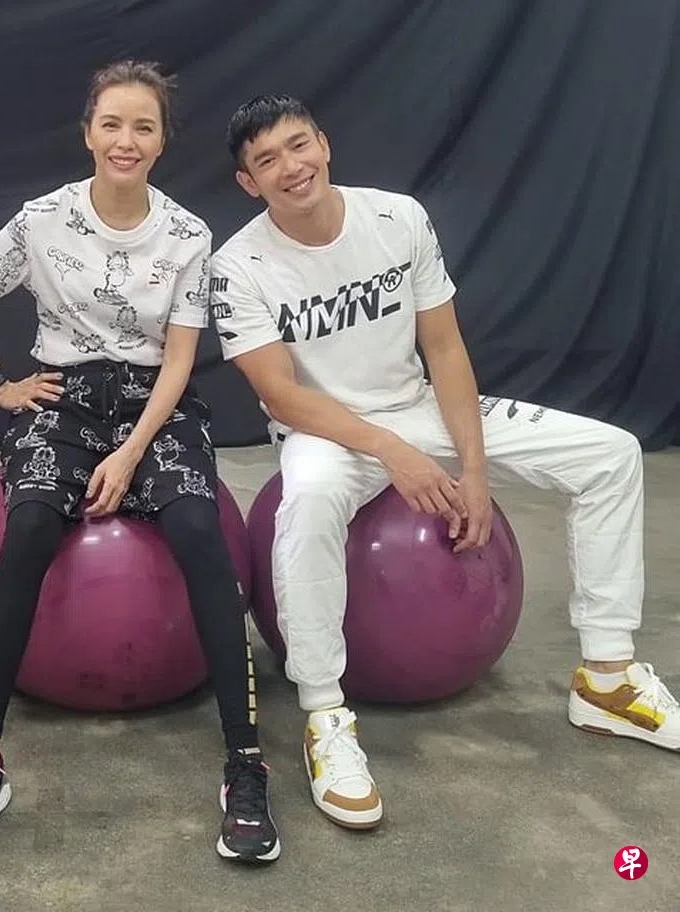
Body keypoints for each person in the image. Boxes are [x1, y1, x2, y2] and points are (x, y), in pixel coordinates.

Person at [210, 94, 679, 831]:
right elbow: (283, 395)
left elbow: (445, 347)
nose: (290, 167)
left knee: (611, 455)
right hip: (328, 432)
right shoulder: (237, 265)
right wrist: (393, 452)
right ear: (249, 182)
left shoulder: (398, 218)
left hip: (417, 406)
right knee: (307, 501)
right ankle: (324, 716)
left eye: (298, 145)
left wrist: (474, 469)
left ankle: (608, 676)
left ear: (324, 144)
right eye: (267, 161)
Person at [0, 61, 279, 865]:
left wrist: (129, 453)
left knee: (198, 529)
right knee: (27, 529)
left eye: (144, 127)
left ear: (162, 141)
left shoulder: (188, 234)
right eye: (112, 124)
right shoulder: (42, 220)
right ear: (89, 132)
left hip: (156, 404)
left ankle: (245, 763)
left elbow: (182, 359)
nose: (127, 140)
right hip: (62, 399)